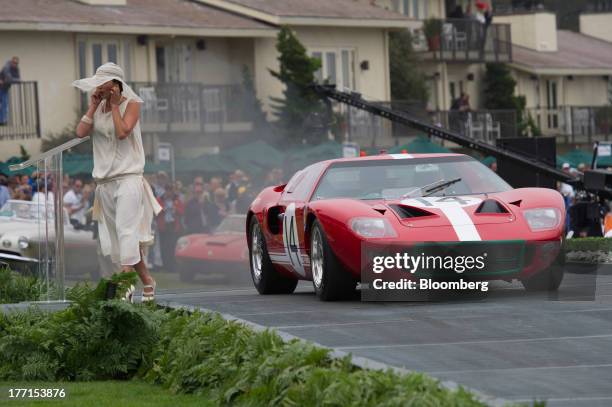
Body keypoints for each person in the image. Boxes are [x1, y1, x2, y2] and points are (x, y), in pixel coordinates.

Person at [74, 62, 162, 301]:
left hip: (128, 179)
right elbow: (80, 132)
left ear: (115, 84)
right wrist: (93, 107)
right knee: (121, 239)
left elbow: (123, 131)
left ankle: (125, 284)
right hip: (105, 182)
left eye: (103, 84)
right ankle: (148, 281)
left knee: (126, 233)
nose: (99, 88)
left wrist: (114, 107)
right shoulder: (98, 105)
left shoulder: (131, 104)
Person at [156, 184, 184, 273]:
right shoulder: (160, 199)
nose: (169, 192)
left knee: (172, 246)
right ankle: (165, 265)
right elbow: (156, 210)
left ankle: (172, 265)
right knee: (164, 247)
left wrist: (174, 209)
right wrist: (164, 209)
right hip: (164, 225)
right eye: (167, 190)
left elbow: (182, 211)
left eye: (170, 190)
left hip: (173, 225)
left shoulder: (176, 200)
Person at [0, 57, 20, 125]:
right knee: (4, 104)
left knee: (4, 105)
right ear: (11, 62)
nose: (15, 64)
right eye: (14, 62)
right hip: (1, 88)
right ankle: (2, 121)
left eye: (16, 63)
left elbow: (18, 80)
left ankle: (2, 121)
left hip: (4, 88)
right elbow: (9, 79)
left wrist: (9, 80)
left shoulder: (16, 69)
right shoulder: (6, 68)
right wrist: (10, 80)